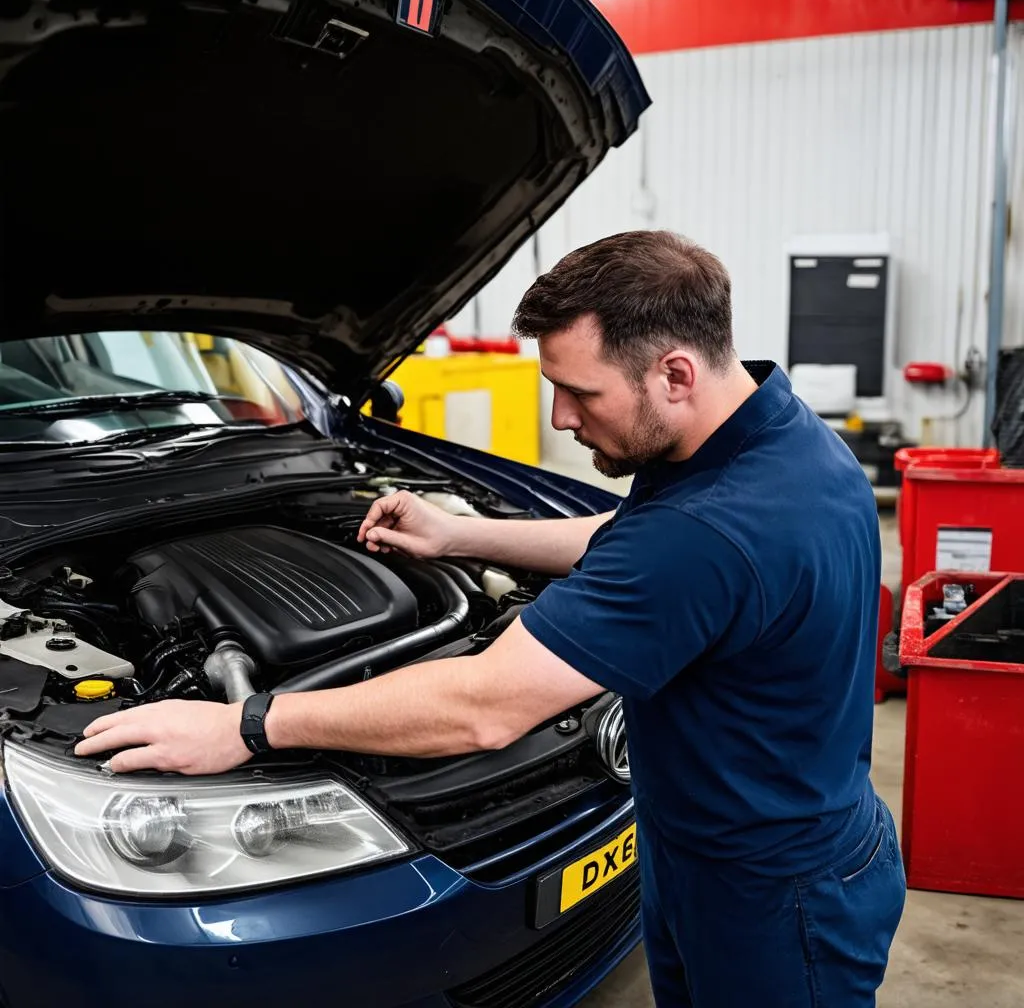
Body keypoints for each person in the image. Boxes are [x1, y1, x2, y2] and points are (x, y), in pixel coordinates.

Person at [75, 230, 906, 1007]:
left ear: (676, 374)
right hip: (754, 833)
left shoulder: (712, 532)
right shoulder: (777, 438)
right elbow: (630, 539)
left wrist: (250, 725)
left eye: (580, 393)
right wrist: (462, 533)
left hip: (770, 895)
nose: (561, 421)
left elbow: (485, 706)